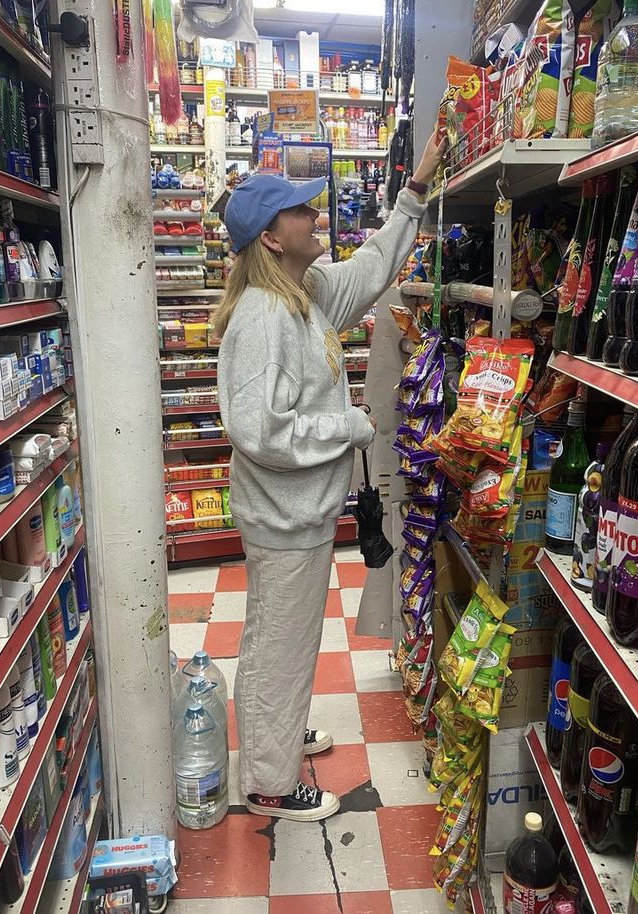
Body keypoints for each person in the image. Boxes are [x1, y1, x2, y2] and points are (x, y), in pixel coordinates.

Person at [215, 130, 446, 822]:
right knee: (280, 643)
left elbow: (372, 268)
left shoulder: (305, 291)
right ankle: (267, 781)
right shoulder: (261, 318)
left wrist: (414, 190)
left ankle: (272, 743)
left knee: (279, 637)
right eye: (298, 212)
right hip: (283, 516)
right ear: (269, 240)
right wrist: (347, 425)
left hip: (296, 512)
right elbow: (258, 431)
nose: (314, 217)